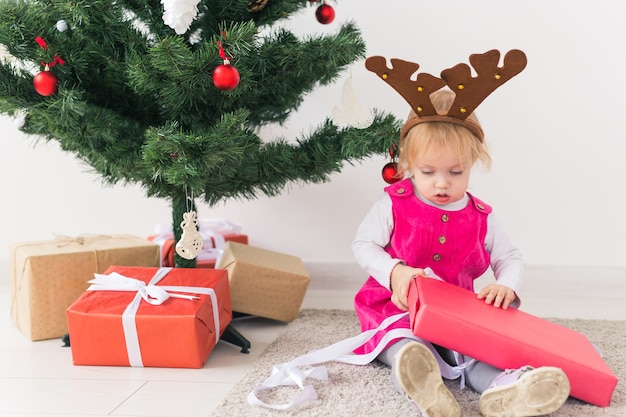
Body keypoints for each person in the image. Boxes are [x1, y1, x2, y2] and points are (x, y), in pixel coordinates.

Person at [352, 89, 571, 417]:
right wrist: (394, 271)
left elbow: (509, 257)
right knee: (406, 347)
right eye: (428, 172)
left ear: (474, 162)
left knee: (475, 352)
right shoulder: (394, 202)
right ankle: (424, 390)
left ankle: (507, 389)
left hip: (454, 314)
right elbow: (363, 245)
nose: (442, 184)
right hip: (394, 309)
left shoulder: (481, 215)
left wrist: (506, 285)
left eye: (456, 172)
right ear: (408, 163)